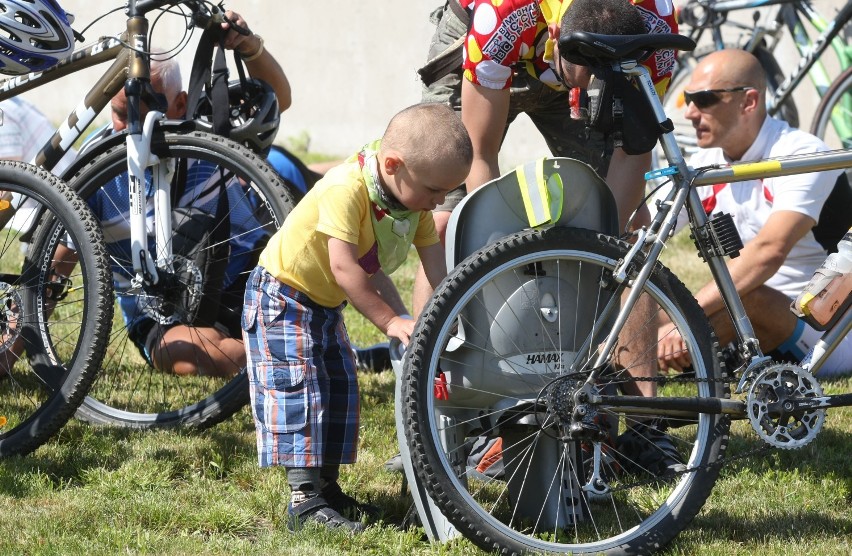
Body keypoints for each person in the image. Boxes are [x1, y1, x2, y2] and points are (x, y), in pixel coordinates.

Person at [242, 102, 473, 533]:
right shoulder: (346, 189)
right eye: (434, 190)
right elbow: (347, 269)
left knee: (339, 388)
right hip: (282, 297)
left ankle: (326, 489)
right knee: (302, 390)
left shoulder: (413, 204)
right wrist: (391, 322)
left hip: (324, 305)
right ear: (393, 166)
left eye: (447, 192)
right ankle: (303, 501)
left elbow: (434, 267)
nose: (439, 201)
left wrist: (447, 315)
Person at [82, 10, 288, 377]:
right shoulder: (96, 170)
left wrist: (248, 45)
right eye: (117, 113)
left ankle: (291, 351)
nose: (128, 129)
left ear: (178, 105)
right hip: (165, 316)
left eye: (140, 114)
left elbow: (278, 98)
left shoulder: (203, 133)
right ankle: (284, 359)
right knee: (178, 355)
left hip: (248, 278)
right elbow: (57, 261)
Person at [654, 49, 852, 376]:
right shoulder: (705, 163)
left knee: (749, 298)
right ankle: (610, 370)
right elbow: (647, 229)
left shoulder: (801, 154)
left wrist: (684, 320)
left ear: (749, 102)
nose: (689, 112)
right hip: (752, 320)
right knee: (643, 301)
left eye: (704, 99)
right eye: (688, 98)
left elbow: (768, 253)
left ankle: (628, 370)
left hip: (828, 332)